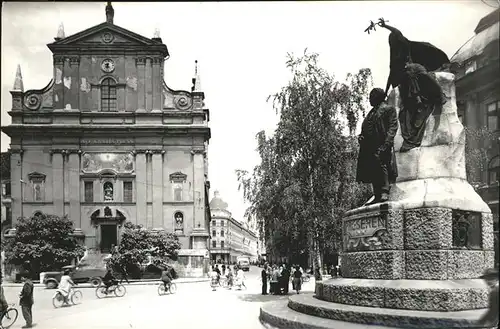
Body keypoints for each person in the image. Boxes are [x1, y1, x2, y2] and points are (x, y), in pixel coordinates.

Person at [356, 87, 398, 204]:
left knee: (382, 164)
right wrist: (361, 136)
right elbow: (366, 128)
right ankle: (377, 194)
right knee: (372, 169)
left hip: (381, 143)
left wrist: (387, 143)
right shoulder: (371, 113)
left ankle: (385, 190)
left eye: (371, 97)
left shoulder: (388, 109)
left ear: (377, 97)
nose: (369, 99)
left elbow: (393, 127)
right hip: (369, 146)